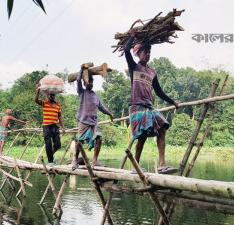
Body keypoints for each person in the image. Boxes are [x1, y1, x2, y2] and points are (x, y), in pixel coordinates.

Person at [125, 28, 179, 174]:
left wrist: (173, 102)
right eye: (145, 52)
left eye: (149, 52)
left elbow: (159, 91)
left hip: (148, 107)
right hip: (136, 106)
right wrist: (132, 37)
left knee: (162, 126)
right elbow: (126, 50)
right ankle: (135, 166)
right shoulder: (134, 67)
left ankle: (162, 164)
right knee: (142, 135)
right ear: (138, 54)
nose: (148, 54)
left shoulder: (152, 72)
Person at [72, 66, 114, 170]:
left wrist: (110, 114)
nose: (89, 83)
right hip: (84, 121)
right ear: (84, 84)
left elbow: (101, 107)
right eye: (87, 82)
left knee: (99, 138)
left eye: (91, 82)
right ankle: (75, 160)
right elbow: (77, 81)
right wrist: (81, 70)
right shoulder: (82, 92)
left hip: (94, 122)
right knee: (80, 141)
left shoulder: (96, 96)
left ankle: (95, 161)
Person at [35, 84, 66, 166]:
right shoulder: (44, 103)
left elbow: (60, 116)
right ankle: (50, 161)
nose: (51, 97)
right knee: (48, 144)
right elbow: (36, 100)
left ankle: (50, 156)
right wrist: (38, 89)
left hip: (55, 126)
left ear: (54, 96)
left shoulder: (58, 105)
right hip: (46, 126)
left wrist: (63, 128)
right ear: (47, 96)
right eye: (50, 95)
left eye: (53, 95)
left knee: (58, 145)